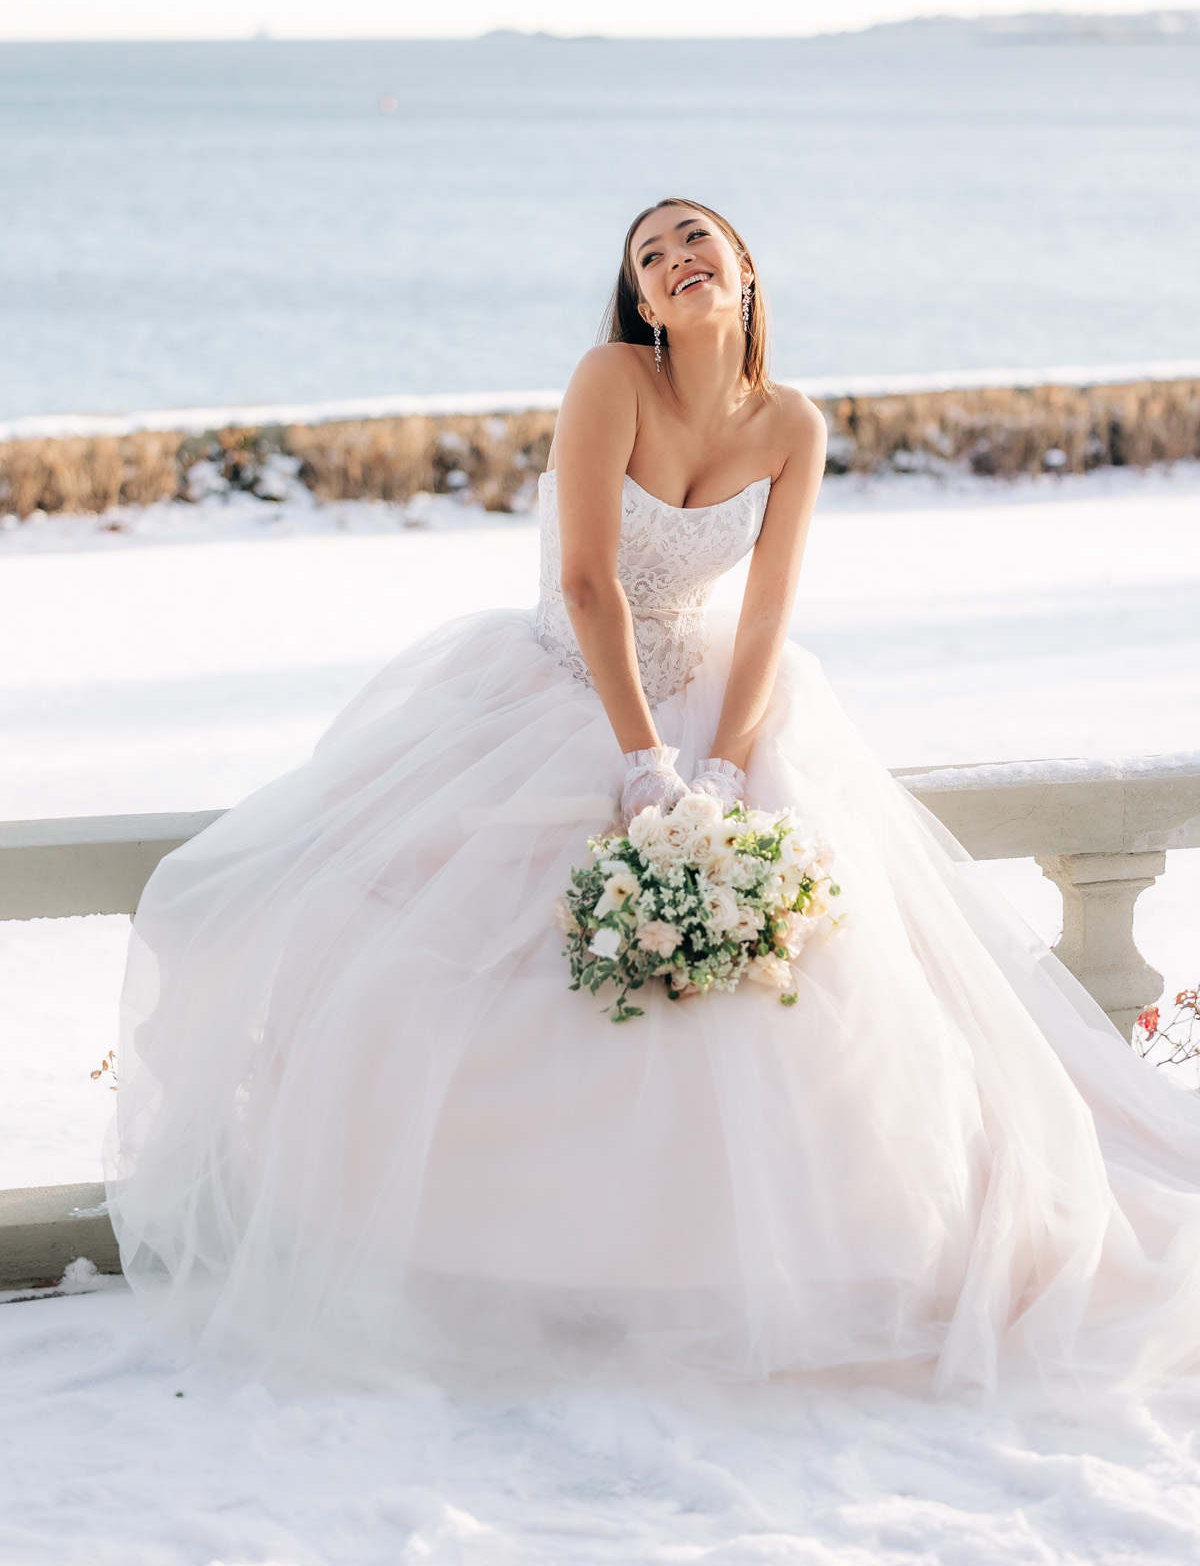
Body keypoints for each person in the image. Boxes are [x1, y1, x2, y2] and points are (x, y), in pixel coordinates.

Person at [108, 198, 1200, 1395]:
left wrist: (726, 764)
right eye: (649, 255)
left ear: (741, 271)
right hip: (557, 693)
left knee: (798, 987)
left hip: (713, 697)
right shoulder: (609, 379)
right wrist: (642, 762)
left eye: (695, 241)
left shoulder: (794, 423)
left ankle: (742, 1277)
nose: (674, 260)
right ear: (639, 297)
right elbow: (588, 581)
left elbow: (774, 607)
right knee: (454, 967)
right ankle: (509, 1272)